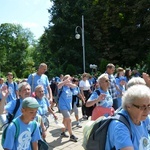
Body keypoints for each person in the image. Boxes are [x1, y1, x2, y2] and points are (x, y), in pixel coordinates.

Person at [105, 84, 150, 149]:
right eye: (142, 107)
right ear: (129, 106)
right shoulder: (120, 126)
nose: (147, 111)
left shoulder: (145, 118)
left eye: (149, 105)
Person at [57, 74, 78, 142]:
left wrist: (69, 83)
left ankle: (62, 132)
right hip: (62, 105)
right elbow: (58, 86)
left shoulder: (70, 87)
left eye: (70, 80)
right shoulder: (62, 86)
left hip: (69, 105)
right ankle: (71, 135)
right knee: (68, 119)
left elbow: (75, 86)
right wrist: (65, 81)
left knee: (65, 120)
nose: (70, 81)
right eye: (68, 80)